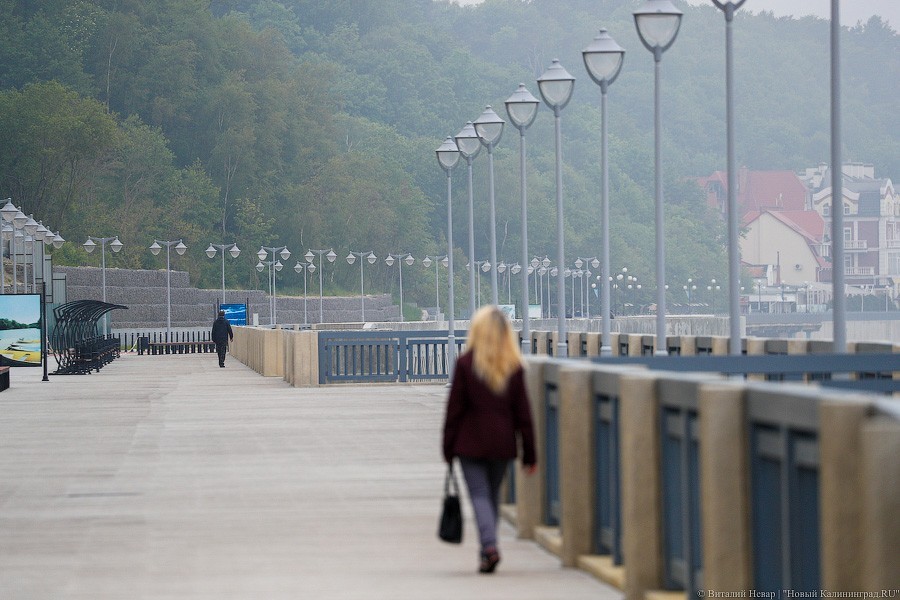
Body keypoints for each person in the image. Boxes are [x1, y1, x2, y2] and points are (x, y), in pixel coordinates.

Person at [442, 305, 537, 574]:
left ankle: (489, 546)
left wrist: (448, 448)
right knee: (491, 495)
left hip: (469, 444)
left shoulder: (465, 364)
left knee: (480, 496)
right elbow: (524, 416)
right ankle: (487, 550)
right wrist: (530, 454)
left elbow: (454, 412)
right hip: (502, 444)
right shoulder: (514, 367)